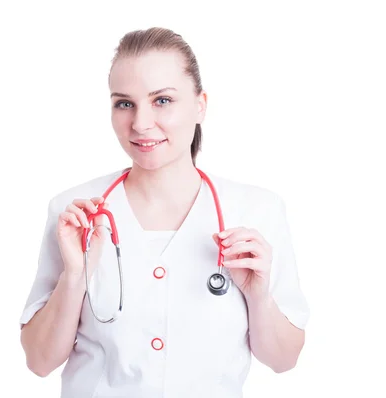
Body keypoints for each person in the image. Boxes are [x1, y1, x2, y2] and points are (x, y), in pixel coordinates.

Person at [18, 27, 310, 398]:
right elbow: (39, 361)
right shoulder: (75, 214)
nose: (140, 124)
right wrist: (74, 277)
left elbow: (283, 360)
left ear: (200, 104)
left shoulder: (257, 210)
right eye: (124, 103)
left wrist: (258, 296)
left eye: (162, 100)